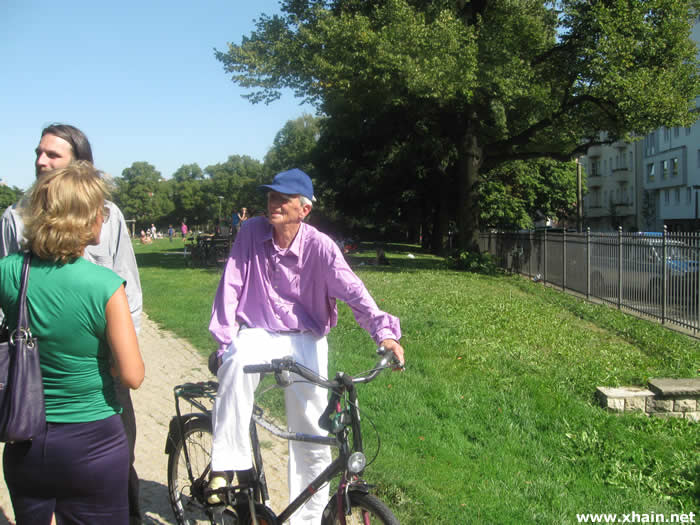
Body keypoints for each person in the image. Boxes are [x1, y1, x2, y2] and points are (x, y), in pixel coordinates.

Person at [208, 168, 405, 525]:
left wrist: (384, 332)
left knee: (313, 434)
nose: (274, 203)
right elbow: (231, 283)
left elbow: (354, 292)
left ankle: (307, 521)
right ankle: (225, 465)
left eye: (283, 198)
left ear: (305, 209)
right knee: (235, 362)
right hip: (260, 330)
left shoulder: (321, 248)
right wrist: (224, 341)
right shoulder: (252, 231)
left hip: (306, 337)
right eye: (271, 196)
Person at [0, 123, 144, 525]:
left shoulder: (10, 271)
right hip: (94, 437)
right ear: (88, 220)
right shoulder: (104, 284)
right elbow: (132, 375)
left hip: (25, 432)